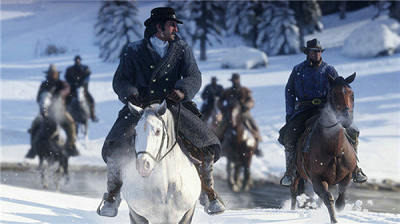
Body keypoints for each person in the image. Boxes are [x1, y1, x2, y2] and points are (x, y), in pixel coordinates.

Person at [97, 7, 225, 217]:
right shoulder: (133, 50)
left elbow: (194, 76)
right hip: (140, 107)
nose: (175, 29)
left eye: (175, 26)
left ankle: (207, 192)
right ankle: (112, 195)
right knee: (115, 145)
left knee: (206, 143)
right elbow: (120, 80)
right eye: (172, 25)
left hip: (172, 106)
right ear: (159, 27)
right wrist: (130, 93)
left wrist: (182, 91)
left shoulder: (182, 48)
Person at [279, 38, 367, 187]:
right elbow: (289, 91)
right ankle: (291, 171)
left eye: (319, 51)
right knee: (289, 135)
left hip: (326, 109)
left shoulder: (329, 69)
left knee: (352, 131)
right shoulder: (297, 70)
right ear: (307, 53)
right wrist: (289, 113)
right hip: (304, 110)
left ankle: (355, 168)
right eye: (314, 51)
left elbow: (338, 90)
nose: (317, 53)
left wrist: (340, 112)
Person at [26, 64, 79, 158]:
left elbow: (67, 90)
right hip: (46, 112)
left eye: (53, 73)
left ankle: (72, 145)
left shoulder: (62, 84)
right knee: (33, 126)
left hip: (60, 111)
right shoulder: (44, 84)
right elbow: (39, 97)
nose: (52, 75)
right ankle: (33, 148)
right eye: (50, 73)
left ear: (56, 74)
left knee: (71, 123)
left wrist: (59, 94)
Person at [217, 73, 263, 157]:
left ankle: (256, 147)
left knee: (253, 126)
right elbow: (219, 101)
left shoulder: (245, 90)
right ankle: (218, 147)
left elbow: (251, 101)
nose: (235, 81)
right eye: (234, 80)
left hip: (243, 114)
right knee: (220, 127)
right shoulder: (227, 91)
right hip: (230, 114)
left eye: (236, 79)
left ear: (238, 80)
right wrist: (223, 108)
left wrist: (246, 106)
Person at [65, 55, 99, 122]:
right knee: (66, 102)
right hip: (73, 90)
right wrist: (72, 83)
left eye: (79, 60)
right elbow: (67, 77)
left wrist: (84, 82)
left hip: (83, 89)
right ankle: (66, 116)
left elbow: (88, 76)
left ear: (80, 60)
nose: (77, 61)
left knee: (91, 101)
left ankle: (92, 115)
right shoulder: (70, 69)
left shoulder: (85, 68)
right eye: (76, 60)